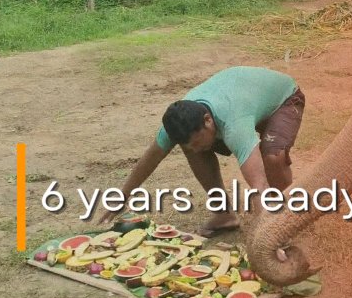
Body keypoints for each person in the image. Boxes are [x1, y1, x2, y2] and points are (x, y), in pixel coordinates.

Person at [99, 65, 305, 235]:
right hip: (246, 100)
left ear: (207, 120)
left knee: (273, 156)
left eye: (197, 140)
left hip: (284, 99)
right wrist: (122, 197)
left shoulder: (234, 124)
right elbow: (150, 160)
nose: (196, 148)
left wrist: (266, 234)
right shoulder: (179, 124)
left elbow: (258, 184)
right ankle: (224, 215)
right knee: (193, 149)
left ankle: (283, 217)